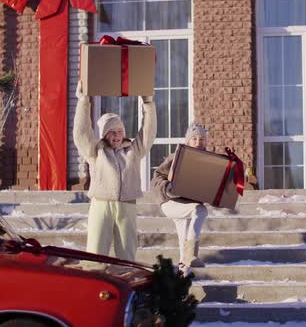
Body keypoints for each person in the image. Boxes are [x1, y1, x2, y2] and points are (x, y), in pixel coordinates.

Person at [73, 81, 156, 261]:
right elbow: (81, 134)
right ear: (104, 135)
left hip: (127, 205)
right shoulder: (95, 151)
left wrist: (148, 104)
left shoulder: (133, 151)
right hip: (101, 204)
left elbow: (148, 133)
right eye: (112, 132)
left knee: (127, 254)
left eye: (119, 131)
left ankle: (126, 285)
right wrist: (83, 101)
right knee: (95, 253)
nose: (117, 135)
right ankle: (94, 284)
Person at [151, 123, 209, 274]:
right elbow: (157, 176)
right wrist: (167, 188)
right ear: (188, 141)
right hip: (170, 202)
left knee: (184, 248)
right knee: (200, 210)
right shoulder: (176, 157)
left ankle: (182, 284)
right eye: (194, 138)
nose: (198, 142)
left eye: (202, 139)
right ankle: (193, 253)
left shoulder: (208, 161)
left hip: (186, 204)